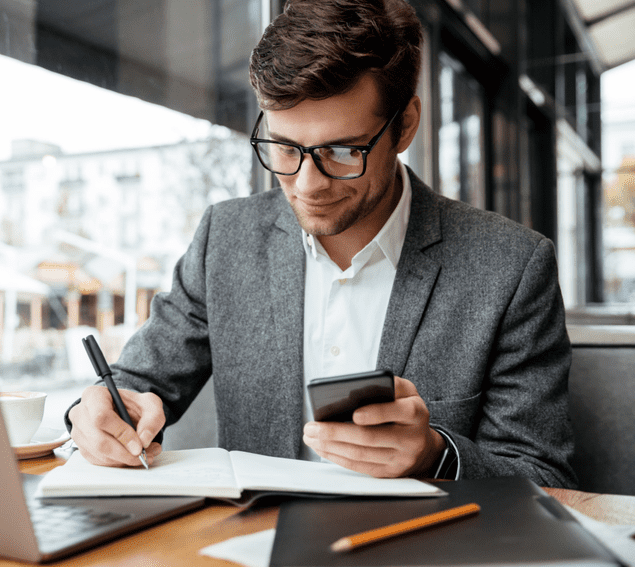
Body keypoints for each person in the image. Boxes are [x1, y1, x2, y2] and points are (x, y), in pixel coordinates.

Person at [66, 0, 577, 487]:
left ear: (405, 125)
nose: (307, 184)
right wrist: (96, 415)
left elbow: (544, 476)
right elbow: (133, 385)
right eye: (285, 148)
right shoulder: (225, 239)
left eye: (341, 150)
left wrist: (435, 455)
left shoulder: (510, 267)